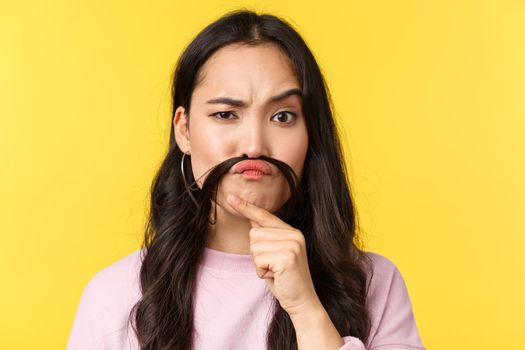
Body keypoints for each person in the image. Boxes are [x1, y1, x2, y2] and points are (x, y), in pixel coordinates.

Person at [66, 9, 425, 350]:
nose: (254, 145)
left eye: (283, 116)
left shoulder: (375, 283)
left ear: (311, 132)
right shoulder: (115, 295)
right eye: (226, 114)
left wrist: (306, 309)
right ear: (185, 129)